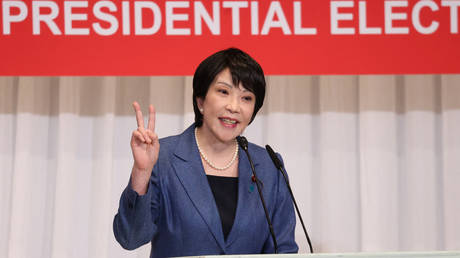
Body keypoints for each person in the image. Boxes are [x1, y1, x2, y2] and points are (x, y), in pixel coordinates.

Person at [113, 48, 298, 258]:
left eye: (246, 98)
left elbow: (283, 250)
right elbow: (130, 238)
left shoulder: (269, 166)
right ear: (201, 101)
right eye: (223, 92)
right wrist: (141, 172)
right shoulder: (163, 158)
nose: (234, 107)